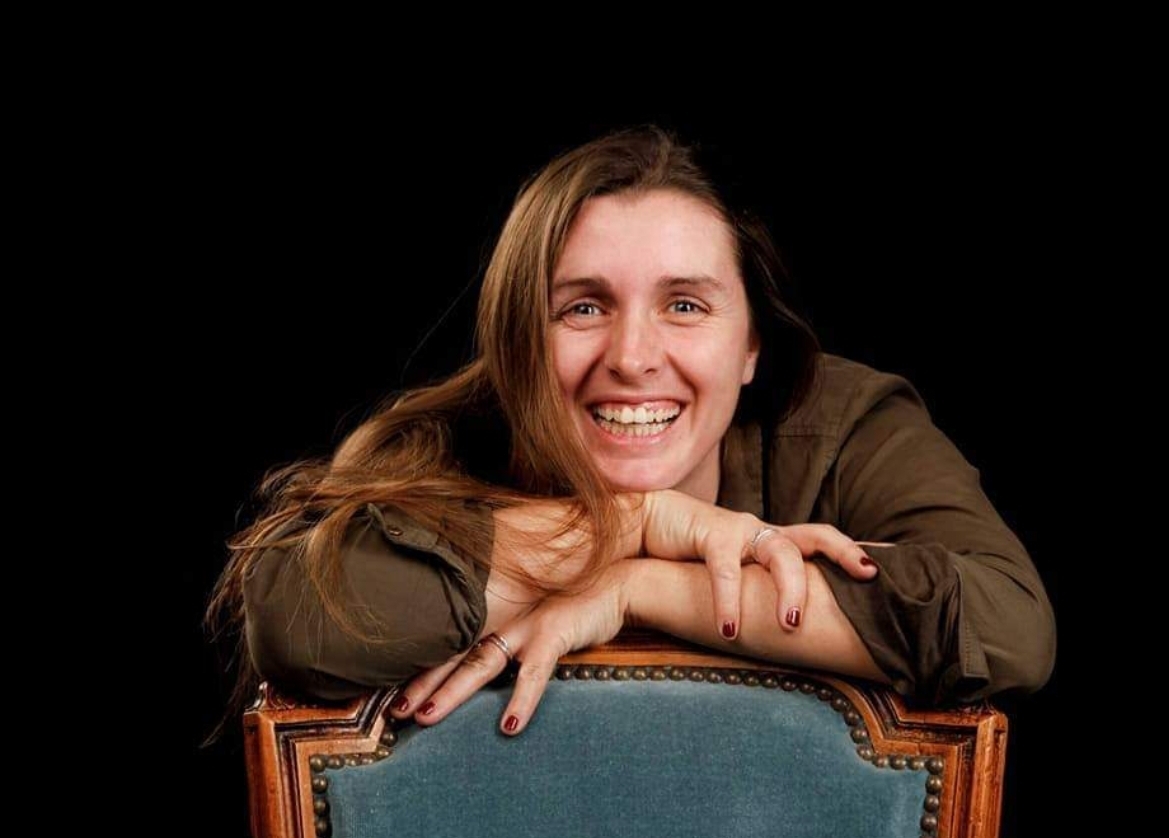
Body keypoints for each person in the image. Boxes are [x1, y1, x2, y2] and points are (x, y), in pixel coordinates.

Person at [207, 124, 1055, 738]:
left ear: (752, 344)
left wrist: (637, 584)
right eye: (583, 307)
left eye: (684, 305)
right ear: (518, 341)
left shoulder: (847, 426)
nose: (633, 357)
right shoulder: (445, 437)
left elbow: (1010, 626)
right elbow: (297, 620)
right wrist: (634, 521)